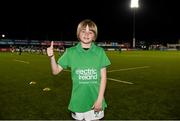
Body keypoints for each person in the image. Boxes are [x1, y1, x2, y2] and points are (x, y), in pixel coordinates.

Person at [47, 19, 111, 120]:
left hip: (96, 100)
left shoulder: (100, 52)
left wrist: (99, 99)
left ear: (94, 36)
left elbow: (103, 77)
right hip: (78, 101)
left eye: (90, 32)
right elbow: (55, 71)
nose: (86, 34)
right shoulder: (70, 52)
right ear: (78, 33)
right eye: (83, 31)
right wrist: (51, 57)